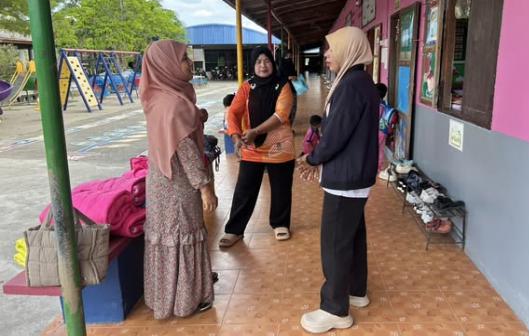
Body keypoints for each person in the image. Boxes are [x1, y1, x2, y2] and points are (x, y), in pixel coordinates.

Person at [297, 27, 378, 333]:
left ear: (349, 49)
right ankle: (356, 290)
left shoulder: (351, 86)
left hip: (346, 176)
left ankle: (335, 309)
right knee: (352, 235)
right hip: (355, 174)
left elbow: (335, 136)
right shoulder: (360, 81)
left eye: (332, 48)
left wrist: (312, 159)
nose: (327, 54)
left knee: (334, 242)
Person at [139, 40, 218, 319]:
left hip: (160, 183)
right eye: (184, 58)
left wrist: (197, 116)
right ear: (167, 65)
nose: (190, 63)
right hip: (179, 186)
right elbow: (186, 151)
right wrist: (205, 188)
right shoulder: (174, 105)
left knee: (166, 239)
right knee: (184, 236)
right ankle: (188, 299)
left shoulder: (159, 97)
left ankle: (163, 296)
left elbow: (178, 128)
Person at [219, 46, 296, 247]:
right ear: (253, 65)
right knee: (244, 189)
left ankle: (280, 223)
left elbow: (281, 115)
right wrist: (235, 136)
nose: (263, 65)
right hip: (252, 147)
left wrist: (255, 131)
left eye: (267, 61)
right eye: (258, 62)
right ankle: (234, 230)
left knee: (281, 188)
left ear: (273, 63)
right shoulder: (247, 86)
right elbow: (233, 112)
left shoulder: (283, 85)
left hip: (279, 147)